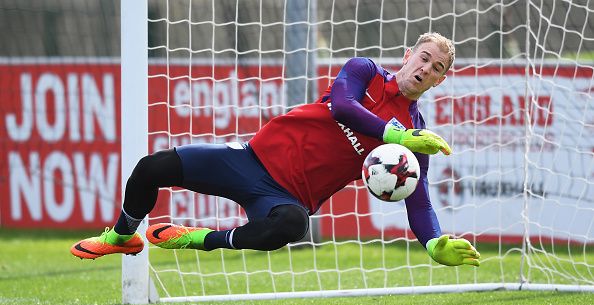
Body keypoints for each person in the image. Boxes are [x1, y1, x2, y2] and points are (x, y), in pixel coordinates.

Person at [71, 32, 480, 267]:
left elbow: (419, 199)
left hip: (283, 199)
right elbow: (342, 105)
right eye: (424, 58)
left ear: (438, 82)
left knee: (292, 226)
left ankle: (196, 239)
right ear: (408, 56)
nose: (425, 69)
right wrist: (395, 137)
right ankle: (123, 235)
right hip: (247, 161)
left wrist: (434, 242)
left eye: (436, 69)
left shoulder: (417, 137)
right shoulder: (364, 70)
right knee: (151, 167)